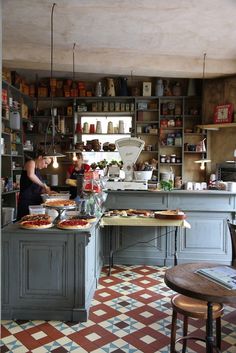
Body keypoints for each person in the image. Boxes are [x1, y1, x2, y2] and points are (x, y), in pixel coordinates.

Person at [17, 149, 52, 220]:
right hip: (27, 203)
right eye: (45, 163)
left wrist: (48, 192)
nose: (46, 166)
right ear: (40, 157)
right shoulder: (31, 162)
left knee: (36, 223)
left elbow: (35, 188)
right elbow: (31, 175)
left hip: (36, 202)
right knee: (25, 223)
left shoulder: (37, 170)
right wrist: (44, 185)